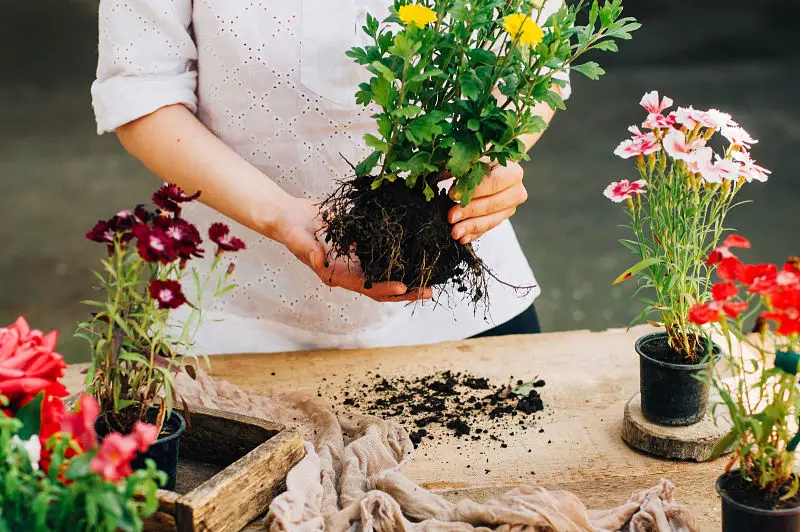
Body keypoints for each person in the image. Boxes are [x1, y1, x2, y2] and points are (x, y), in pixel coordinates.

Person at [92, 0, 568, 354]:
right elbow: (141, 90)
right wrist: (283, 216)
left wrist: (493, 153)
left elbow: (542, 56)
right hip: (234, 312)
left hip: (459, 302)